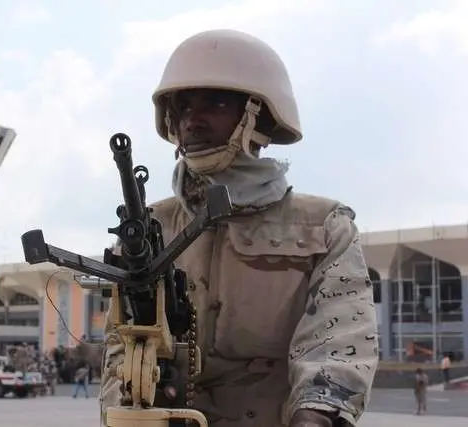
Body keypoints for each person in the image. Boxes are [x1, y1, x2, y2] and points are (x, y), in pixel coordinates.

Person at [100, 29, 379, 427]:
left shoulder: (324, 227)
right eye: (183, 106)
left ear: (258, 115)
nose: (192, 120)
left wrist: (315, 416)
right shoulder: (147, 229)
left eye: (215, 103)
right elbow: (118, 349)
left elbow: (339, 339)